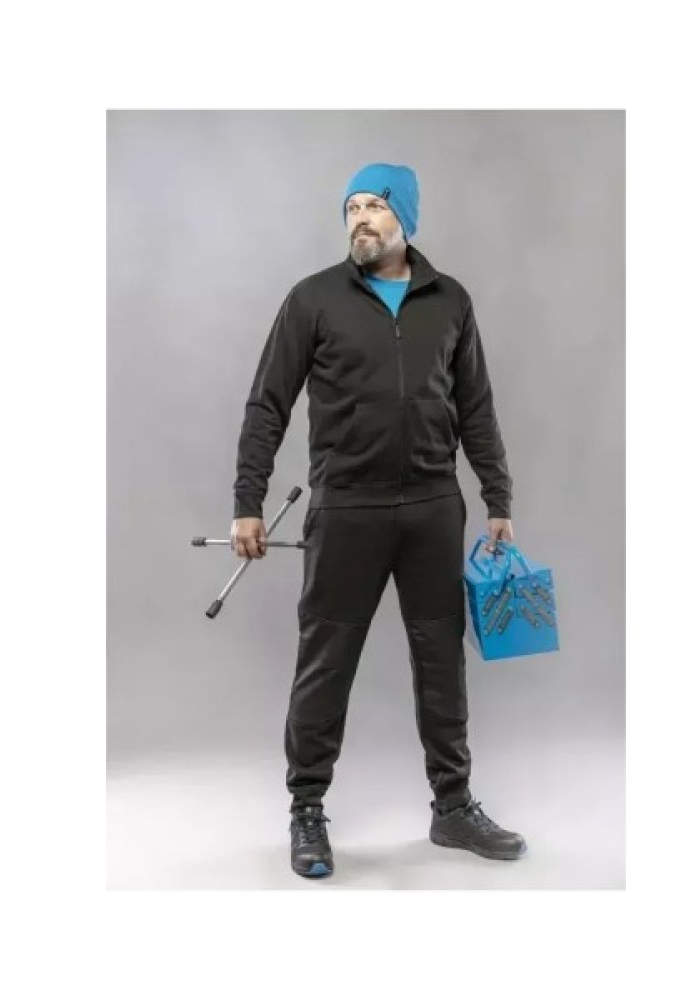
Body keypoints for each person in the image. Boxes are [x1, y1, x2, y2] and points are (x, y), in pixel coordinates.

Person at [231, 162, 527, 879]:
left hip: (432, 508)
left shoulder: (450, 301)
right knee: (326, 662)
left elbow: (476, 406)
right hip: (347, 509)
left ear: (406, 218)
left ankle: (452, 807)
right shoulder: (313, 299)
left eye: (374, 205)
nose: (359, 218)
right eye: (351, 207)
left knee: (442, 663)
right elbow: (268, 404)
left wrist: (497, 498)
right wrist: (247, 500)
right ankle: (307, 808)